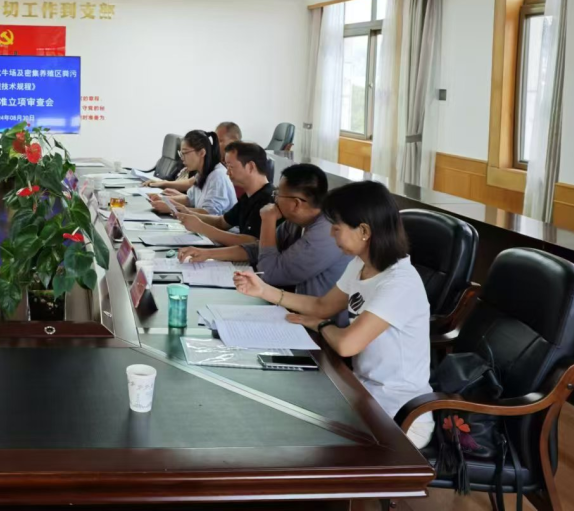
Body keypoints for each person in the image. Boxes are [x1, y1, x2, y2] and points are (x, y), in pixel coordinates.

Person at [233, 181, 434, 448]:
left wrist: (321, 325)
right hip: (362, 393)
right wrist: (264, 291)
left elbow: (346, 344)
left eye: (336, 227)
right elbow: (322, 305)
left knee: (295, 437)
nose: (331, 234)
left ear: (364, 231)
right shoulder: (361, 264)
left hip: (400, 415)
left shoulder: (399, 282)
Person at [180, 164, 352, 318]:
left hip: (320, 325)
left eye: (278, 194)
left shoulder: (326, 233)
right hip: (291, 310)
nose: (274, 199)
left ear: (296, 204)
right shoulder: (296, 221)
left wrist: (268, 220)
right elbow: (260, 249)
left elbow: (269, 273)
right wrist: (208, 254)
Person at [177, 141, 274, 244]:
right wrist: (187, 213)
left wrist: (202, 228)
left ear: (250, 166)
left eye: (231, 167)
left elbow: (250, 242)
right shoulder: (248, 197)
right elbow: (222, 222)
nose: (227, 173)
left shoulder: (267, 200)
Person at [148, 129, 235, 216]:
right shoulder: (202, 173)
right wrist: (163, 199)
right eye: (181, 153)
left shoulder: (218, 176)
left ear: (202, 153)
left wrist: (172, 208)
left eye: (185, 153)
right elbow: (190, 199)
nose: (182, 158)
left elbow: (209, 213)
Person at [145, 122, 241, 192]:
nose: (215, 145)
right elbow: (191, 187)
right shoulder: (208, 166)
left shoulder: (221, 171)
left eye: (220, 140)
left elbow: (210, 211)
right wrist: (163, 184)